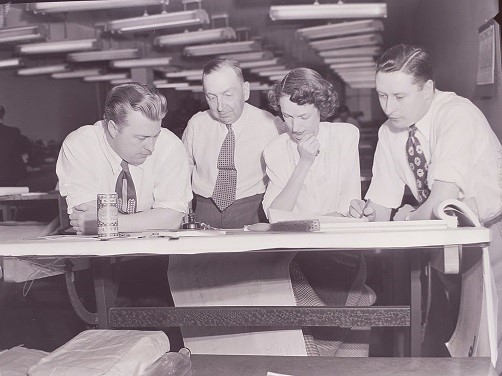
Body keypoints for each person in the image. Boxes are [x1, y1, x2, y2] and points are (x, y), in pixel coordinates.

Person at [348, 44, 502, 370]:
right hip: (447, 239)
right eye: (381, 95)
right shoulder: (390, 132)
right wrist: (362, 212)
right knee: (459, 342)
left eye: (399, 97)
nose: (388, 107)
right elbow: (380, 207)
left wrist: (409, 214)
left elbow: (441, 202)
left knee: (491, 344)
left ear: (428, 90)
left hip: (492, 232)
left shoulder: (456, 114)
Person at [264, 67, 375, 356]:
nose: (295, 126)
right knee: (313, 350)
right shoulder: (275, 151)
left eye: (303, 117)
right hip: (298, 261)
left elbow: (348, 204)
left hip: (342, 254)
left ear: (321, 109)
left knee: (350, 352)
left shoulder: (345, 136)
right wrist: (303, 163)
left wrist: (354, 209)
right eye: (287, 116)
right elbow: (275, 216)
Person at [56, 82, 192, 234]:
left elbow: (172, 219)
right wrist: (152, 219)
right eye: (141, 138)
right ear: (113, 128)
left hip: (155, 251)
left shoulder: (170, 146)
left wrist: (108, 222)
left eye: (156, 136)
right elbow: (84, 217)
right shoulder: (79, 145)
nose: (151, 147)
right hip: (98, 251)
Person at [182, 58, 283, 229]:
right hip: (204, 210)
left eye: (228, 95)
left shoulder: (270, 125)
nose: (220, 106)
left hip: (253, 210)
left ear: (245, 90)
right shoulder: (197, 124)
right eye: (211, 97)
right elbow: (183, 170)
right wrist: (184, 210)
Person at [0, 105, 32, 187]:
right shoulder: (13, 132)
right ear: (3, 115)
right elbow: (28, 150)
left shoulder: (13, 132)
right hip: (9, 178)